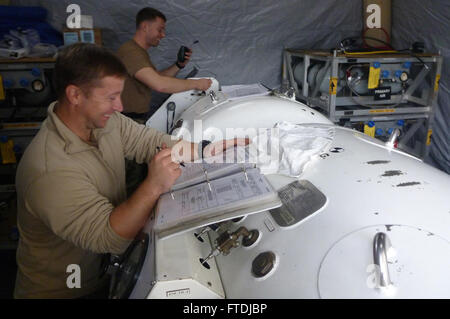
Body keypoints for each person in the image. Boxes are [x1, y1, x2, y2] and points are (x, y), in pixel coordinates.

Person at [14, 43, 245, 299]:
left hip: (103, 276)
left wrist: (206, 150)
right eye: (111, 97)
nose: (120, 106)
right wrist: (154, 185)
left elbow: (147, 141)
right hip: (63, 291)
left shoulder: (105, 122)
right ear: (75, 95)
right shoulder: (49, 170)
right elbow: (108, 237)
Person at [117, 7, 212, 122]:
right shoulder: (131, 53)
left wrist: (179, 65)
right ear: (145, 27)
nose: (163, 35)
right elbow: (159, 84)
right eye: (160, 30)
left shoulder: (138, 52)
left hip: (133, 119)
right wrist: (197, 83)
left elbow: (157, 77)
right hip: (128, 120)